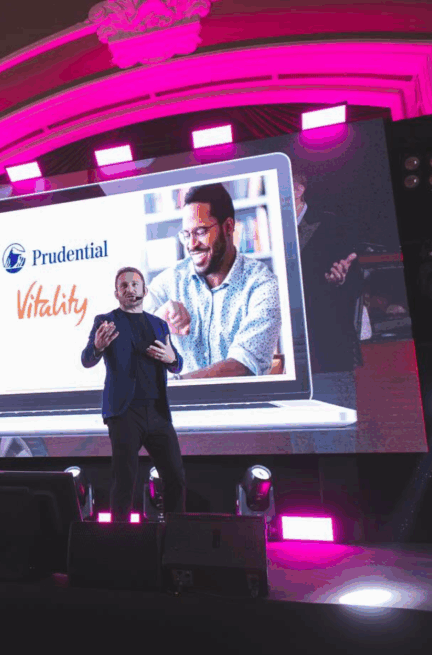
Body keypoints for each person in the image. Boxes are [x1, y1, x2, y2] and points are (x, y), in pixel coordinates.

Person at [81, 266, 186, 522]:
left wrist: (173, 359)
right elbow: (86, 360)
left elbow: (176, 363)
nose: (130, 289)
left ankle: (174, 542)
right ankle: (120, 543)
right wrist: (97, 346)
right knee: (125, 480)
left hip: (157, 412)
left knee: (176, 478)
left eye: (135, 285)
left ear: (145, 290)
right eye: (124, 286)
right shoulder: (105, 321)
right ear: (117, 293)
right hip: (124, 412)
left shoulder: (159, 324)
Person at [145, 183, 282, 379]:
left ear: (228, 227)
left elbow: (243, 365)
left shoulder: (263, 285)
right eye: (186, 235)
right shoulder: (169, 282)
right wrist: (159, 319)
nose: (191, 245)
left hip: (243, 407)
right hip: (176, 407)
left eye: (200, 232)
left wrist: (175, 387)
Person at [290, 170, 363, 452]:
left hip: (328, 348)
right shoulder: (268, 230)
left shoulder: (332, 224)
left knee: (335, 440)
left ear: (298, 189)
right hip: (292, 357)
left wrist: (341, 279)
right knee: (300, 441)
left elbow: (356, 277)